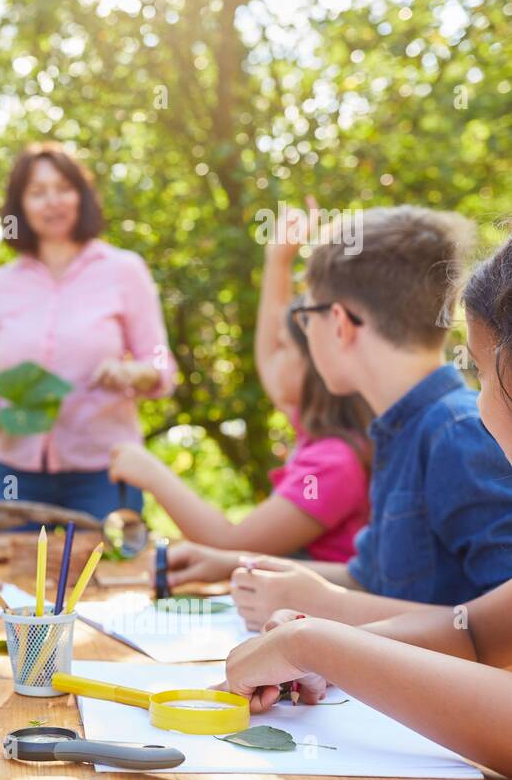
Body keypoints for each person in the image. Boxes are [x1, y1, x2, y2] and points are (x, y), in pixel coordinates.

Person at [219, 235, 512, 779]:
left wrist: (317, 642)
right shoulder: (401, 436)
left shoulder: (450, 432)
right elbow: (474, 631)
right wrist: (308, 644)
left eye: (476, 371)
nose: (475, 403)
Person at [168, 206, 512, 629]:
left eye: (303, 316)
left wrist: (329, 606)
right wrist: (232, 564)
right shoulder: (396, 431)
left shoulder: (458, 434)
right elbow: (367, 579)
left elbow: (498, 629)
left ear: (338, 323)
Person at [108, 201, 372, 560]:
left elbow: (233, 545)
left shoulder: (334, 463)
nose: (269, 358)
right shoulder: (321, 431)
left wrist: (153, 475)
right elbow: (267, 356)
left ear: (319, 363)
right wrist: (278, 262)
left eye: (284, 348)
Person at [0, 142, 177, 519]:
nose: (52, 202)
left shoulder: (124, 271)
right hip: (15, 471)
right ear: (20, 206)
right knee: (3, 575)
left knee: (110, 573)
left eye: (63, 188)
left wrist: (133, 373)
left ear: (81, 195)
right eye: (38, 192)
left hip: (106, 470)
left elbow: (160, 361)